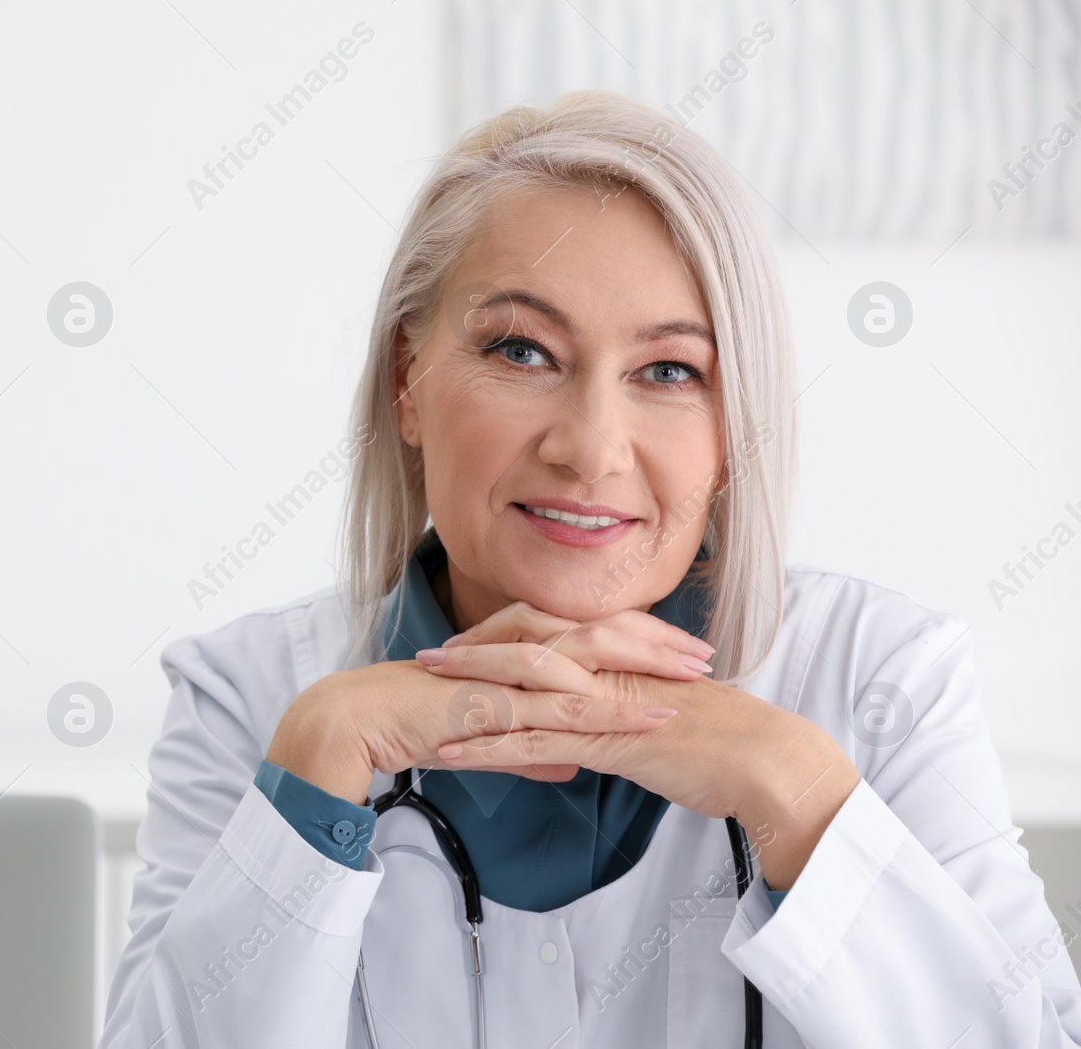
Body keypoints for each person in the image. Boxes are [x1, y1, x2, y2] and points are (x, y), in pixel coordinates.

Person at [99, 90, 1081, 1047]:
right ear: (407, 379)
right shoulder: (249, 695)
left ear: (735, 420)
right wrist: (319, 755)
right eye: (521, 349)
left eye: (667, 371)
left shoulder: (877, 676)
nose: (589, 445)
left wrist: (798, 793)